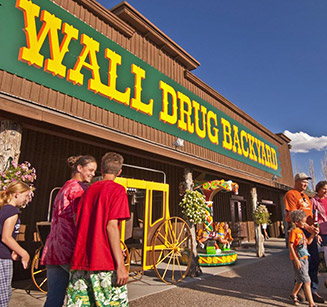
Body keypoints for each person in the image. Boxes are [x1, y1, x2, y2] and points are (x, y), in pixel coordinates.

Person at [67, 152, 130, 307]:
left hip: (82, 258)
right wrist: (121, 265)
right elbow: (111, 227)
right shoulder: (118, 190)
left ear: (101, 170)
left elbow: (77, 219)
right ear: (119, 171)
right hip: (104, 261)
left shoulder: (88, 190)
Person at [41, 155, 97, 307]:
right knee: (81, 297)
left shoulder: (63, 188)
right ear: (79, 168)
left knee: (54, 297)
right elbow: (80, 219)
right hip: (70, 248)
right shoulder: (80, 189)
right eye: (90, 170)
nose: (92, 174)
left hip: (53, 247)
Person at [284, 173, 323, 303]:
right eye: (303, 181)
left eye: (307, 181)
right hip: (299, 230)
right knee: (301, 262)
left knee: (314, 260)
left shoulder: (306, 196)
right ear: (296, 181)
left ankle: (312, 290)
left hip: (308, 230)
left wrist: (315, 232)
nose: (305, 184)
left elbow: (311, 216)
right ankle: (300, 287)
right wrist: (307, 228)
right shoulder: (291, 194)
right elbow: (293, 215)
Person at [0, 181, 31, 306]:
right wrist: (24, 253)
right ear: (17, 194)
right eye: (26, 196)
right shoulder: (12, 211)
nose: (27, 199)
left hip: (4, 254)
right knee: (3, 296)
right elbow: (6, 237)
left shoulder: (4, 209)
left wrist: (12, 250)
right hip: (2, 258)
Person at [288, 210, 317, 307]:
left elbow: (308, 242)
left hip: (305, 257)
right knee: (307, 280)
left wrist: (313, 234)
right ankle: (311, 303)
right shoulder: (293, 232)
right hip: (298, 258)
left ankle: (293, 294)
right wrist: (296, 259)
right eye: (303, 222)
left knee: (300, 280)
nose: (304, 224)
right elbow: (291, 246)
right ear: (296, 222)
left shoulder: (301, 231)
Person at [311, 181, 327, 267]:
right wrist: (317, 234)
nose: (325, 191)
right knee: (325, 256)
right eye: (324, 189)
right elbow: (314, 219)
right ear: (318, 189)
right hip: (322, 232)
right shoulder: (314, 201)